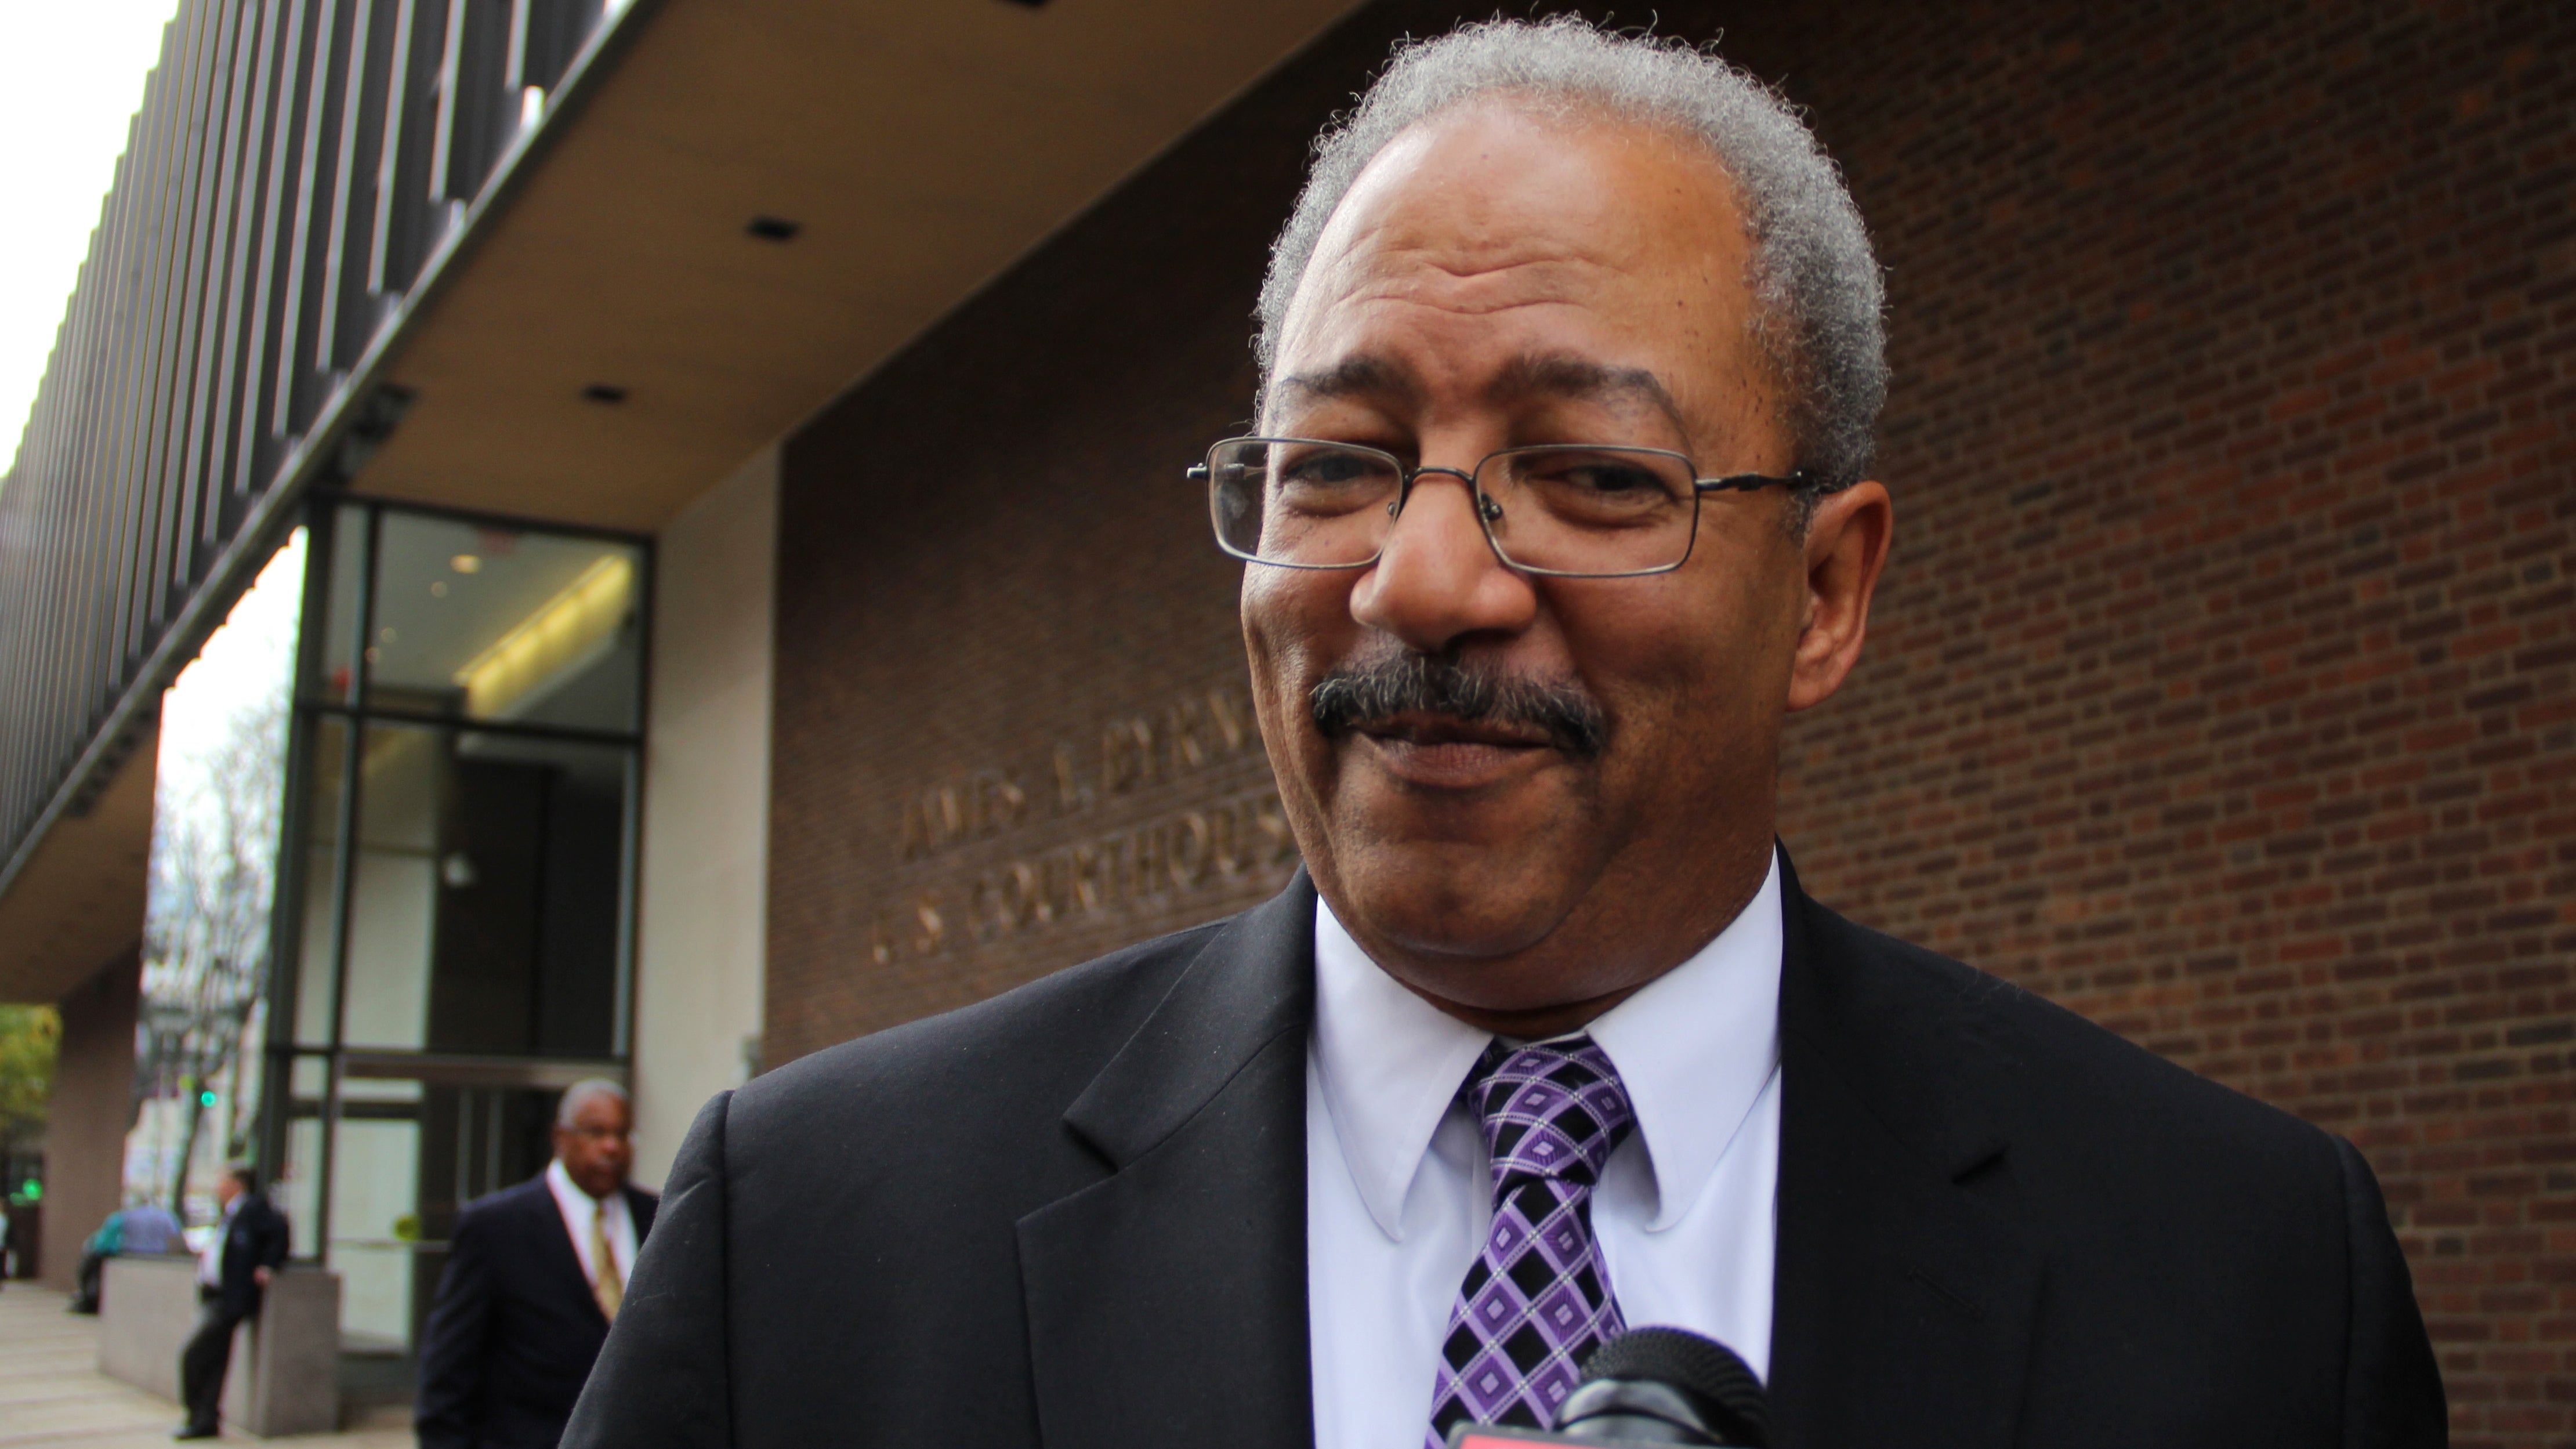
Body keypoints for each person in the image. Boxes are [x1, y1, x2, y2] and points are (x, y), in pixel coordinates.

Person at [566, 17, 2445, 1449]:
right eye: (1338, 462)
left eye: (1591, 471)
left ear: (1823, 593)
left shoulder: (2247, 1275)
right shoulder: (809, 1245)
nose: (1423, 581)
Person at [416, 1079, 658, 1449]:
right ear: (560, 1138)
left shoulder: (661, 1219)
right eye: (596, 1132)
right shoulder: (495, 1228)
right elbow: (447, 1374)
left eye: (622, 1134)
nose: (611, 1147)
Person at [177, 1165, 289, 1440]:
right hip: (215, 1294)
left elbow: (280, 1231)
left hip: (231, 1299)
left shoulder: (253, 1210)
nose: (217, 1187)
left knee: (193, 1357)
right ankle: (206, 1420)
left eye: (222, 1181)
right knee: (216, 1362)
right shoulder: (229, 1214)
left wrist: (267, 1265)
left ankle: (198, 1413)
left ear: (236, 1185)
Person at [70, 1195, 184, 1313]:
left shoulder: (123, 1217)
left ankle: (88, 1300)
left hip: (130, 1256)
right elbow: (177, 1239)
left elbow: (103, 1244)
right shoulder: (167, 1217)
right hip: (158, 1257)